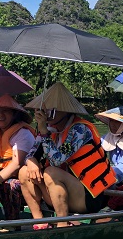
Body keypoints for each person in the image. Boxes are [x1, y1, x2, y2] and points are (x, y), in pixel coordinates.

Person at [19, 82, 116, 228]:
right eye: (45, 110)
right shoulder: (49, 129)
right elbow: (31, 154)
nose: (47, 114)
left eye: (52, 110)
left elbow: (57, 160)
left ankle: (62, 224)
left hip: (86, 196)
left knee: (51, 172)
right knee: (24, 171)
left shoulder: (80, 130)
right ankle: (39, 221)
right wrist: (31, 160)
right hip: (57, 194)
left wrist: (44, 131)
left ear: (65, 111)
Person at [0, 94, 35, 219]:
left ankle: (12, 223)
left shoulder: (23, 133)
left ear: (14, 114)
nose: (0, 115)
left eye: (5, 111)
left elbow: (17, 164)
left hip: (20, 178)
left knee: (9, 185)